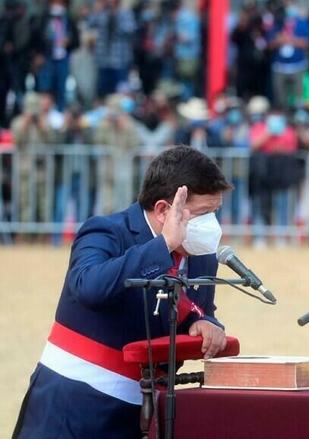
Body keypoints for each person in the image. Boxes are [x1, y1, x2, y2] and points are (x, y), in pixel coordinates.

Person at [14, 146, 232, 438]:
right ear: (164, 210)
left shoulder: (201, 253)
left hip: (146, 409)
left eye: (215, 212)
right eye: (204, 214)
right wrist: (162, 247)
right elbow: (89, 287)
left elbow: (194, 309)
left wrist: (204, 323)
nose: (211, 225)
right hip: (73, 404)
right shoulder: (106, 231)